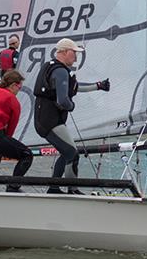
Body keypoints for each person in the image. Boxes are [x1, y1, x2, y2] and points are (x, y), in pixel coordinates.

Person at [33, 38, 110, 194]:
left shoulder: (53, 67)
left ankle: (54, 188)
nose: (76, 56)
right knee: (72, 154)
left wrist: (98, 86)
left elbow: (73, 87)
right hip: (50, 121)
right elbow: (63, 101)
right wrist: (71, 106)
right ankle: (71, 190)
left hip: (45, 120)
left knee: (66, 152)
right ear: (64, 52)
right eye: (74, 52)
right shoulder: (60, 71)